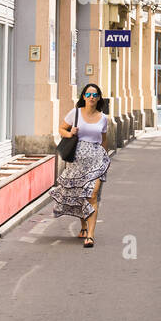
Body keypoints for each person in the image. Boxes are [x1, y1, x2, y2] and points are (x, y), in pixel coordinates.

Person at [53, 83, 113, 248]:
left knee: (92, 195)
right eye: (88, 95)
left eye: (95, 95)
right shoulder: (75, 113)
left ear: (99, 98)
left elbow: (104, 140)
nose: (91, 98)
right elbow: (61, 129)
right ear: (83, 97)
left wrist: (105, 158)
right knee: (82, 194)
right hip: (77, 162)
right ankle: (84, 226)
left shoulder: (103, 118)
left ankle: (91, 236)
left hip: (96, 161)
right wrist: (70, 132)